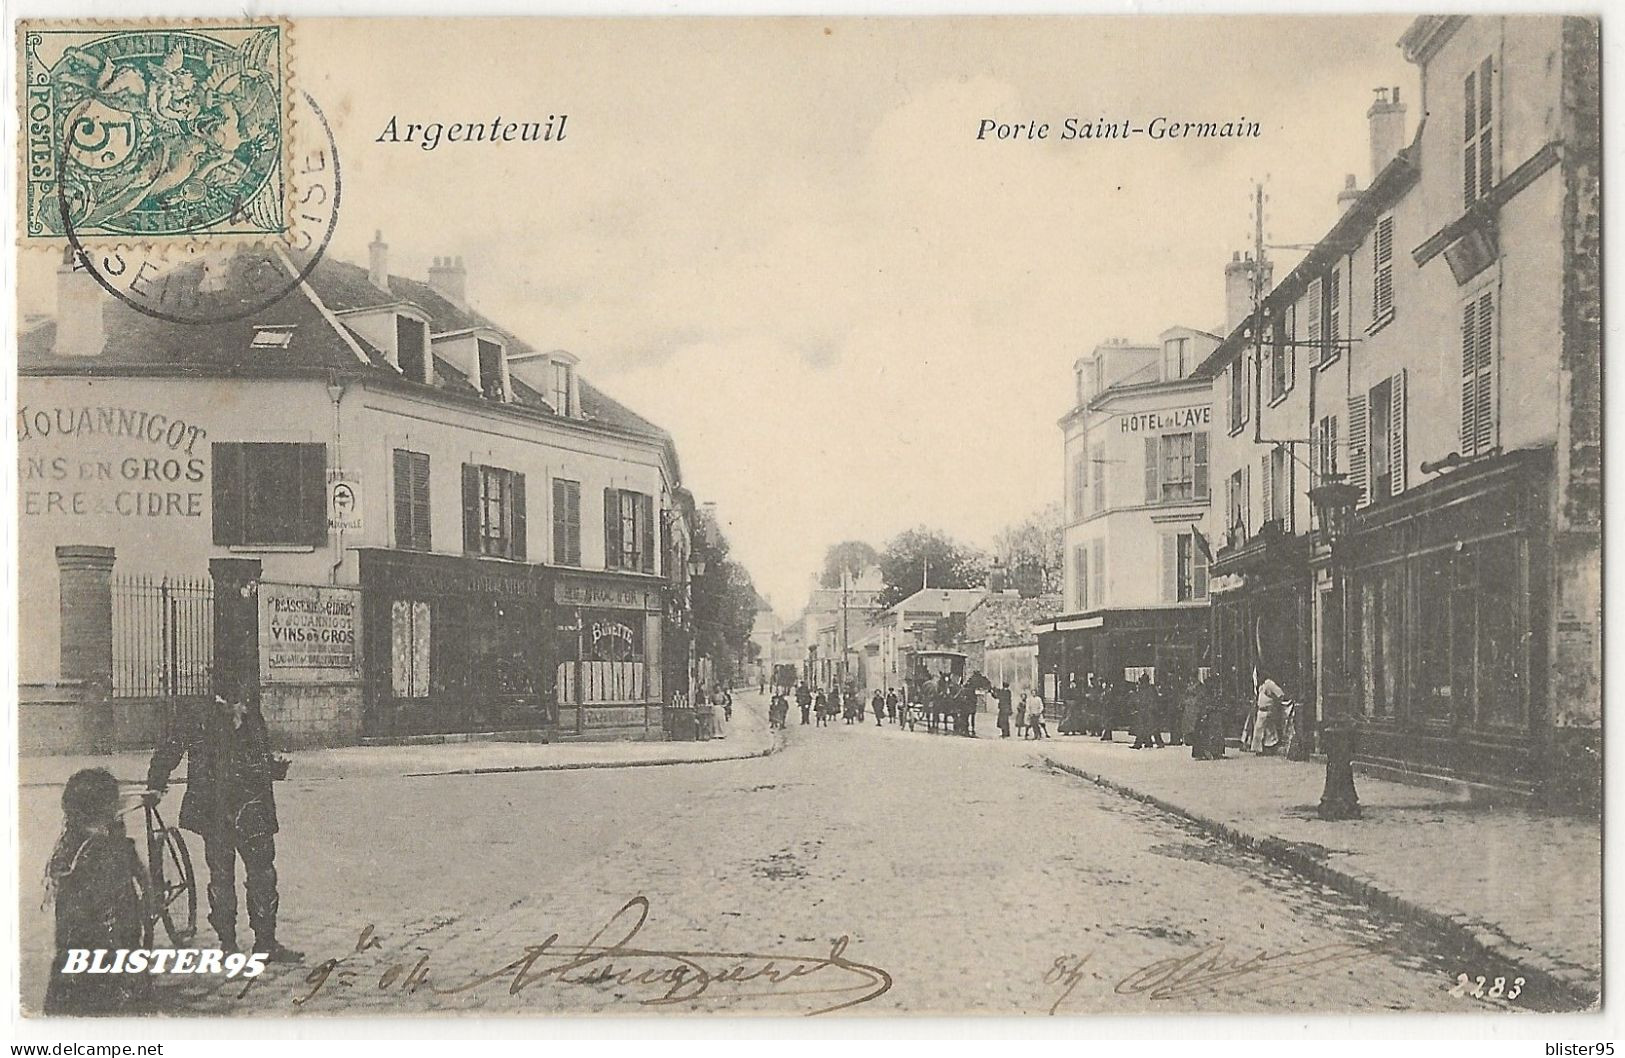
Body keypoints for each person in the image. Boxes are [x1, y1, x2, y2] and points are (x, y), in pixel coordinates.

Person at [147, 689, 303, 962]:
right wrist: (156, 783)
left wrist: (273, 765)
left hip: (252, 808)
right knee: (222, 876)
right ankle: (228, 945)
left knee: (262, 874)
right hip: (217, 810)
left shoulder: (251, 714)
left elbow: (259, 755)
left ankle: (265, 943)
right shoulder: (198, 715)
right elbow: (171, 747)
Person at [43, 768, 149, 1015]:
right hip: (111, 952)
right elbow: (124, 912)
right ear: (108, 810)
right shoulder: (109, 851)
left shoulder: (68, 847)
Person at [1251, 673, 1287, 755]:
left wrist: (1276, 703)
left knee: (1268, 731)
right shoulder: (1261, 686)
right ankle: (1260, 749)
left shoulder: (1269, 684)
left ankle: (1268, 748)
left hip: (1267, 711)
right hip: (1261, 710)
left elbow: (1280, 694)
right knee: (1259, 731)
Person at [1130, 674, 1164, 749]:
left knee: (1146, 728)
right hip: (1147, 711)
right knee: (1151, 728)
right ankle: (1149, 742)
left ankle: (1140, 743)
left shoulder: (1146, 689)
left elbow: (1150, 700)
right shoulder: (1148, 689)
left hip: (1147, 711)